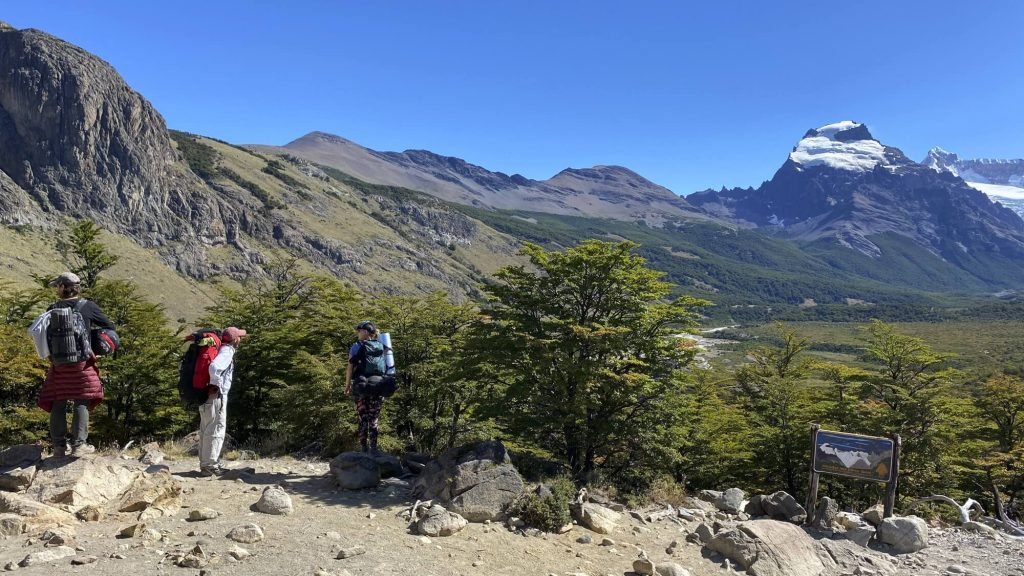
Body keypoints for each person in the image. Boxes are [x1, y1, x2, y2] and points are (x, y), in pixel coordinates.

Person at [37, 272, 115, 458]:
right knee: (82, 400)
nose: (57, 289)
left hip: (58, 365)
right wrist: (95, 342)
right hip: (82, 363)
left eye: (58, 286)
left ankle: (58, 447)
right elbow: (109, 326)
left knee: (58, 401)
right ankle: (79, 446)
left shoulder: (52, 308)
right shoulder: (88, 307)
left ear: (64, 287)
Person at [199, 326, 246, 476]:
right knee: (216, 429)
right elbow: (214, 367)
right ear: (235, 339)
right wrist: (217, 385)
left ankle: (206, 463)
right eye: (239, 336)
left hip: (206, 395)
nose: (241, 339)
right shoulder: (227, 351)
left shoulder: (219, 349)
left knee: (206, 429)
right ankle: (211, 465)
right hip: (216, 395)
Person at [345, 321, 386, 454]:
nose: (357, 332)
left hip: (361, 386)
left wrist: (347, 385)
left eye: (359, 330)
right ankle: (374, 449)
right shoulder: (381, 345)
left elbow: (350, 367)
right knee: (374, 419)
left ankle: (363, 449)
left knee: (363, 418)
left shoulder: (356, 347)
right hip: (378, 386)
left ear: (366, 332)